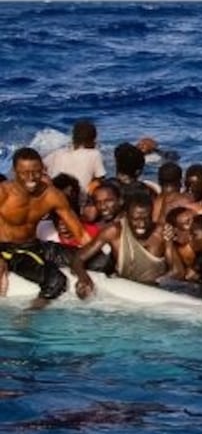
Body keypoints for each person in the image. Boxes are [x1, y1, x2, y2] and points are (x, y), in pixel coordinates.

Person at [0, 148, 92, 306]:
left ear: (43, 169)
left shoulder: (51, 195)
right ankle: (28, 315)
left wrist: (86, 262)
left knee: (99, 260)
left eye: (36, 172)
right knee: (56, 281)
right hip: (9, 251)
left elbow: (81, 234)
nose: (31, 178)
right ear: (15, 171)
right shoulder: (3, 193)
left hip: (35, 245)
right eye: (24, 172)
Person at [72, 195, 168, 298]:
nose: (141, 224)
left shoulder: (163, 233)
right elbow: (78, 258)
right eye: (136, 219)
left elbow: (178, 270)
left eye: (146, 218)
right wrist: (83, 277)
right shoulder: (114, 231)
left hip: (156, 291)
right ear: (126, 216)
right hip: (124, 289)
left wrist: (159, 282)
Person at [43, 119, 105, 204]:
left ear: (73, 138)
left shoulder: (58, 153)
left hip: (54, 198)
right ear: (93, 140)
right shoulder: (95, 154)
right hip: (78, 201)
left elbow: (41, 166)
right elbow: (100, 178)